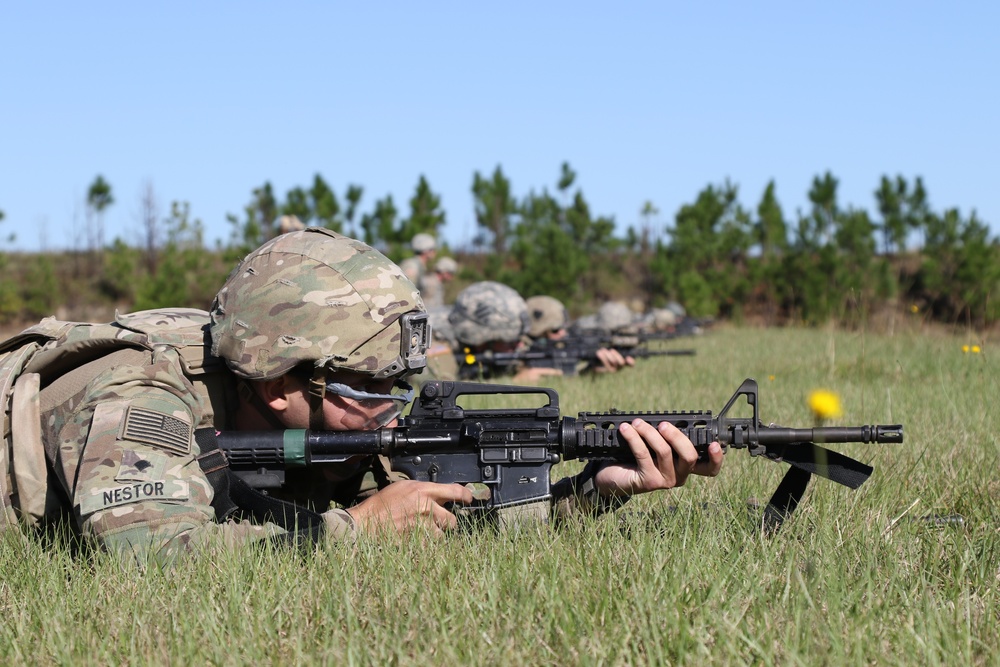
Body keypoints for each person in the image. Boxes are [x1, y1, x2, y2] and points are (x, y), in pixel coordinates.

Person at [0, 230, 723, 561]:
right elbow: (146, 555)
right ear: (283, 384)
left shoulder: (323, 413)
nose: (392, 407)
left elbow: (437, 522)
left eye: (399, 385)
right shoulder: (141, 393)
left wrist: (593, 490)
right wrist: (352, 532)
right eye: (369, 387)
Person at [525, 295, 634, 374]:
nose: (563, 333)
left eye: (564, 328)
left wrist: (592, 370)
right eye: (555, 330)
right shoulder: (522, 355)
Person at [399, 232, 437, 298]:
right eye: (432, 249)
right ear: (425, 251)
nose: (434, 252)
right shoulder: (412, 266)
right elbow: (406, 293)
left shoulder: (420, 266)